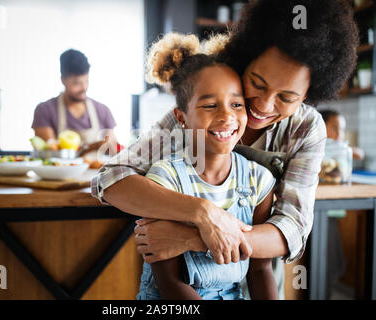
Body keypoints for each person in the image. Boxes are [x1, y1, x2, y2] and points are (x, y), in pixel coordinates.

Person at [91, 0, 358, 299]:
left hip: (259, 282)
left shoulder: (307, 128)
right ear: (246, 59)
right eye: (257, 83)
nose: (264, 105)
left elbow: (292, 229)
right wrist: (203, 213)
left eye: (286, 97)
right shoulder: (205, 105)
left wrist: (195, 237)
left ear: (309, 95)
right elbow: (110, 179)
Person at [136, 32, 277, 300]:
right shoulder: (166, 179)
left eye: (236, 104)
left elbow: (260, 271)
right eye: (210, 105)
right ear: (182, 118)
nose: (226, 116)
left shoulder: (258, 180)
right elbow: (169, 283)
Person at [32, 49, 118, 156]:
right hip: (61, 173)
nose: (84, 88)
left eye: (86, 81)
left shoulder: (103, 110)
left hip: (97, 172)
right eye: (76, 83)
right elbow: (51, 152)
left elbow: (113, 150)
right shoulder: (44, 110)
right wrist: (92, 147)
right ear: (63, 80)